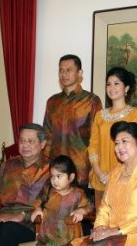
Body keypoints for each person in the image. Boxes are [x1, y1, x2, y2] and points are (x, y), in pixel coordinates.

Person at [73, 121, 137, 245]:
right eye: (117, 143)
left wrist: (118, 230)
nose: (119, 147)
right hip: (111, 234)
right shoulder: (115, 173)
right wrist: (100, 227)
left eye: (125, 141)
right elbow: (105, 206)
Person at [0, 123, 50, 246]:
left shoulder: (51, 169)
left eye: (30, 141)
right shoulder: (9, 165)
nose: (25, 145)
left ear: (42, 144)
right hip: (2, 217)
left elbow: (54, 202)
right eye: (22, 140)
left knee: (6, 231)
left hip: (31, 224)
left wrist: (23, 215)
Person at [43, 54, 102, 193]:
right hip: (56, 174)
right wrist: (46, 167)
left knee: (80, 213)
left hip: (81, 171)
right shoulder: (52, 101)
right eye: (61, 70)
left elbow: (96, 138)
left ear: (79, 73)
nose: (64, 74)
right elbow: (47, 136)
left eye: (68, 70)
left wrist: (95, 168)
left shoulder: (91, 101)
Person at [88, 66, 137, 209]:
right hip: (101, 178)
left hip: (124, 178)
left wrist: (113, 175)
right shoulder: (100, 115)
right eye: (108, 84)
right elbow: (93, 146)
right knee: (101, 223)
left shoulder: (134, 114)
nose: (111, 88)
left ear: (126, 88)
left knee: (121, 224)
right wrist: (98, 172)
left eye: (116, 83)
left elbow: (135, 149)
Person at [31, 155, 93, 245]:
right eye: (52, 176)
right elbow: (39, 200)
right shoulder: (48, 190)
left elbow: (89, 206)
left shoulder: (78, 194)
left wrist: (81, 210)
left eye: (59, 176)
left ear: (71, 177)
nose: (54, 180)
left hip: (70, 241)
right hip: (46, 241)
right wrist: (38, 209)